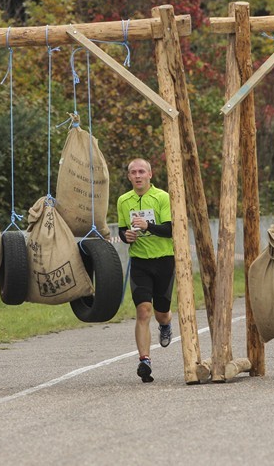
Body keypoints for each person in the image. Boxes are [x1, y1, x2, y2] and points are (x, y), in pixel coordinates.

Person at [117, 158, 175, 383]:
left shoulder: (162, 197)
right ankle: (145, 360)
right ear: (129, 176)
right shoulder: (124, 200)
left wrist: (147, 226)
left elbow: (170, 230)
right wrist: (126, 236)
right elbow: (122, 230)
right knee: (143, 311)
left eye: (142, 171)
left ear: (150, 174)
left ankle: (166, 325)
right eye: (133, 172)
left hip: (163, 260)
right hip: (140, 262)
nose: (138, 175)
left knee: (161, 313)